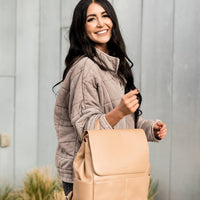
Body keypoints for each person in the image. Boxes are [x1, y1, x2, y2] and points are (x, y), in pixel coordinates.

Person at [53, 0, 167, 197]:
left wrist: (150, 128)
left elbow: (121, 122)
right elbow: (87, 129)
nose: (101, 23)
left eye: (105, 15)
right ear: (82, 27)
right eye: (91, 19)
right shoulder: (85, 68)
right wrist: (120, 111)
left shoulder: (114, 68)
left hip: (114, 167)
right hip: (90, 173)